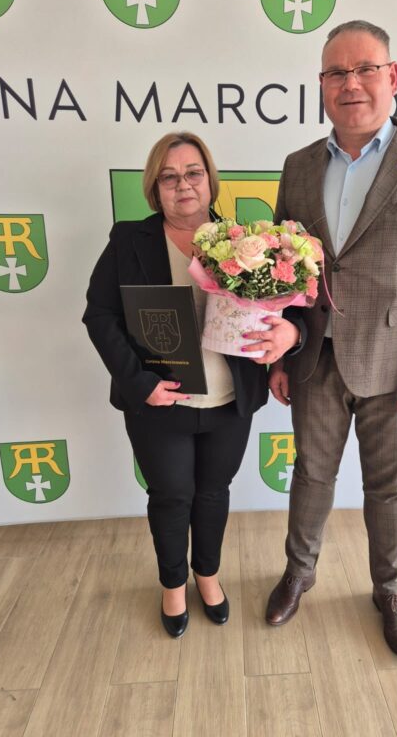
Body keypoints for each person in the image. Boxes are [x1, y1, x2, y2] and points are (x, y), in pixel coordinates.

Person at [265, 20, 397, 658]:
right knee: (311, 474)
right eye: (336, 72)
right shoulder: (299, 166)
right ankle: (299, 573)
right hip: (313, 358)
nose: (350, 83)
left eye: (364, 69)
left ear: (393, 76)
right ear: (321, 84)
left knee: (389, 487)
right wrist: (280, 354)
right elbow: (284, 271)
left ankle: (390, 590)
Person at [83, 132, 300, 638]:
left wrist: (287, 336)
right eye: (169, 176)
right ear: (154, 187)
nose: (183, 184)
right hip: (159, 401)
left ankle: (208, 575)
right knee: (171, 495)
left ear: (210, 180)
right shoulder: (128, 241)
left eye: (193, 173)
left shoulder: (248, 243)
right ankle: (173, 584)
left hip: (230, 399)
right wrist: (139, 383)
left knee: (213, 493)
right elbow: (99, 315)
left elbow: (283, 309)